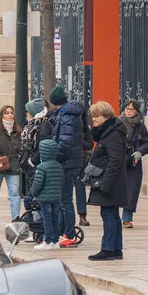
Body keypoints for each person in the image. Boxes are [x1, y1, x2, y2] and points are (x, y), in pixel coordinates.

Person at [85, 101, 130, 261]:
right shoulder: (108, 132)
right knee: (111, 214)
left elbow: (115, 160)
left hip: (110, 181)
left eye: (98, 116)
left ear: (107, 117)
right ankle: (115, 248)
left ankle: (108, 248)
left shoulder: (112, 134)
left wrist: (106, 183)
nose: (94, 120)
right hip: (110, 180)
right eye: (93, 116)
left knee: (109, 214)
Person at [48, 86, 91, 248]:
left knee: (65, 200)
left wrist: (54, 157)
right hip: (72, 161)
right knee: (64, 199)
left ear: (54, 103)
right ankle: (64, 232)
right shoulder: (72, 114)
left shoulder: (67, 116)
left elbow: (64, 143)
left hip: (67, 163)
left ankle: (69, 235)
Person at [26, 138, 65, 249]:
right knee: (55, 218)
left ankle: (47, 241)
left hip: (45, 198)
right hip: (57, 197)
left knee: (47, 220)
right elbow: (62, 181)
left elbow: (37, 184)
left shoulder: (41, 167)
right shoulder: (59, 166)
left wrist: (33, 194)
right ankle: (55, 241)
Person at [120, 100, 148, 229]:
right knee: (117, 189)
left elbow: (147, 144)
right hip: (120, 160)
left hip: (134, 161)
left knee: (131, 191)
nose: (128, 111)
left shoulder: (140, 126)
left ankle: (127, 218)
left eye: (131, 109)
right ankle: (113, 216)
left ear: (136, 112)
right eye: (127, 108)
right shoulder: (118, 123)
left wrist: (140, 152)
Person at [18, 98, 50, 197]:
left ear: (33, 112)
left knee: (35, 197)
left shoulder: (43, 126)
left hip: (35, 166)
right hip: (30, 167)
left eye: (27, 111)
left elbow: (42, 146)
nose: (26, 114)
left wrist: (31, 161)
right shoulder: (31, 125)